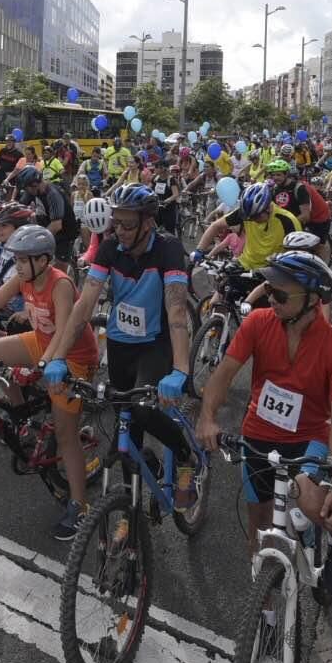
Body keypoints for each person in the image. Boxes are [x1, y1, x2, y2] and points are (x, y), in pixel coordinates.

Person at [197, 251, 332, 590]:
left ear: (313, 300)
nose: (271, 299)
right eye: (268, 290)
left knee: (313, 502)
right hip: (257, 435)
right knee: (259, 529)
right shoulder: (259, 323)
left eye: (280, 294)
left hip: (308, 440)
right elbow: (223, 375)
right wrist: (208, 417)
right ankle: (267, 613)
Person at [0, 225, 97, 538]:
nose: (16, 265)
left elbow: (64, 332)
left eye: (21, 259)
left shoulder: (61, 285)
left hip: (71, 356)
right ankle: (21, 417)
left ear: (42, 260)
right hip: (42, 343)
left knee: (66, 436)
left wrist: (44, 366)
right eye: (15, 259)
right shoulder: (25, 277)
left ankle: (80, 507)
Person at [54, 184, 197, 517]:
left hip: (155, 344)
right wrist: (58, 355)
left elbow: (176, 311)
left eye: (128, 224)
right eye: (115, 223)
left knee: (145, 411)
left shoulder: (168, 249)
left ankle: (185, 456)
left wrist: (180, 370)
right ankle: (129, 515)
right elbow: (85, 303)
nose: (119, 230)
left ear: (148, 222)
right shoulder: (109, 248)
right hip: (120, 344)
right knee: (125, 427)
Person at [195, 183, 302, 272]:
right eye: (248, 217)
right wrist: (199, 250)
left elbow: (296, 254)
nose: (251, 219)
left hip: (272, 269)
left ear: (268, 208)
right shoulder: (246, 213)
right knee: (223, 289)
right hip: (246, 263)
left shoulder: (287, 220)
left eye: (255, 216)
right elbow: (215, 226)